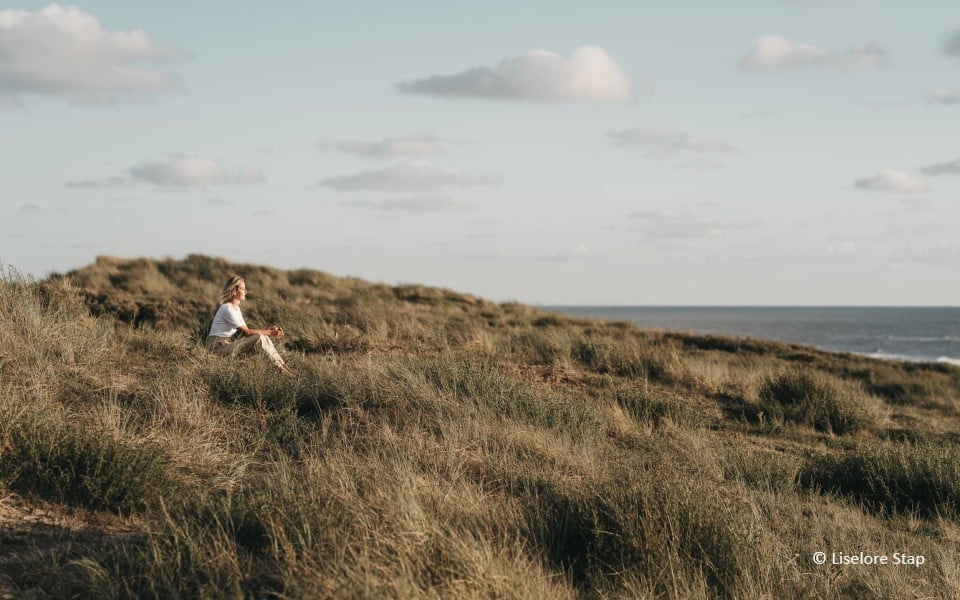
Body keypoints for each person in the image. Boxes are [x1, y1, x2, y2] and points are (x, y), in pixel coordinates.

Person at [206, 276, 291, 374]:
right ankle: (281, 370)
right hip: (217, 349)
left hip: (226, 345)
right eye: (243, 289)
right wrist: (270, 332)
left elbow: (248, 332)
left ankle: (284, 368)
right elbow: (246, 332)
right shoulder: (227, 308)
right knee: (259, 337)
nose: (246, 291)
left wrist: (269, 330)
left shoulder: (236, 309)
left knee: (263, 337)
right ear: (234, 290)